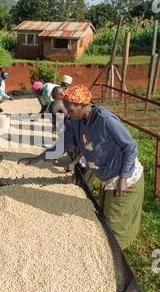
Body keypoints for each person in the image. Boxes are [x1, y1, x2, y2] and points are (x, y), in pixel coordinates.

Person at [17, 85, 144, 251]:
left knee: (116, 224)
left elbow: (130, 147)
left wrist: (124, 177)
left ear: (83, 106)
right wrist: (39, 158)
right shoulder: (75, 121)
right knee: (105, 217)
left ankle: (116, 260)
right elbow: (64, 143)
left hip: (123, 177)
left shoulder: (104, 119)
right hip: (107, 176)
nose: (68, 113)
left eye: (70, 109)